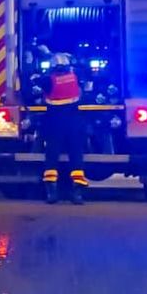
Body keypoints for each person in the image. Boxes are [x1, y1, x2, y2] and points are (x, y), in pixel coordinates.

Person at [36, 48, 88, 205]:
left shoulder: (48, 81)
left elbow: (35, 83)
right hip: (74, 123)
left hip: (55, 124)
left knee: (52, 156)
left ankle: (52, 193)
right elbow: (85, 78)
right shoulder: (75, 76)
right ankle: (77, 193)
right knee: (76, 156)